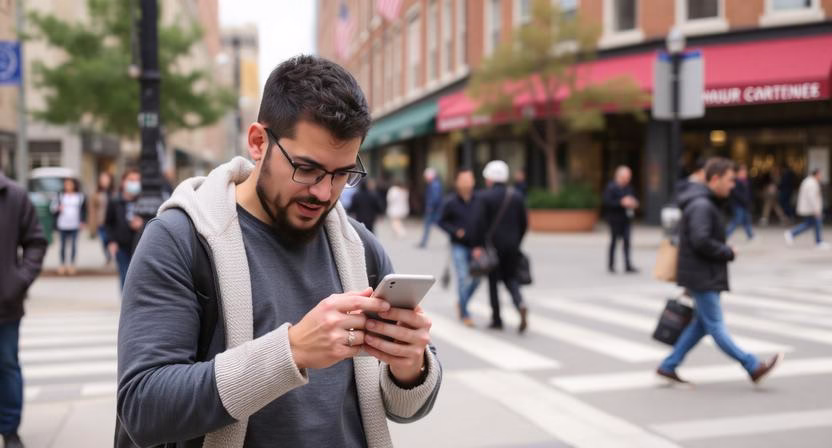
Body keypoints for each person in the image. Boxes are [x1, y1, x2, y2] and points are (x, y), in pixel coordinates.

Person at [116, 55, 441, 448]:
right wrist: (292, 351)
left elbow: (403, 407)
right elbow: (144, 408)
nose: (324, 192)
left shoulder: (361, 248)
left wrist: (411, 366)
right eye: (306, 168)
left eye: (342, 174)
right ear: (258, 142)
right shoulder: (179, 240)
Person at [657, 157, 783, 386]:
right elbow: (701, 240)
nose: (733, 185)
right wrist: (727, 251)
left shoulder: (702, 202)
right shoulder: (702, 205)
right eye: (730, 180)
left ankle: (668, 366)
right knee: (715, 325)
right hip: (702, 275)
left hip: (701, 273)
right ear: (714, 179)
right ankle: (752, 366)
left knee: (701, 325)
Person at [0, 172, 48, 448]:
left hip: (5, 304)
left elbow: (36, 242)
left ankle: (9, 430)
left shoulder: (14, 195)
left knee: (6, 365)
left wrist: (17, 281)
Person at [472, 160, 529, 333]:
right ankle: (520, 303)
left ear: (489, 179)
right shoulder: (517, 195)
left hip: (492, 247)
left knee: (492, 282)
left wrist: (478, 245)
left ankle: (497, 319)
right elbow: (524, 223)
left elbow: (479, 224)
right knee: (510, 278)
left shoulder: (483, 197)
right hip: (512, 245)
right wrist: (517, 241)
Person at [438, 170, 481, 327]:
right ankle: (465, 313)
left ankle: (462, 303)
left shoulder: (479, 200)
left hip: (477, 246)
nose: (467, 183)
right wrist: (455, 231)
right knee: (463, 278)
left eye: (469, 179)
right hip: (459, 245)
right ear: (457, 182)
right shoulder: (451, 202)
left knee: (477, 279)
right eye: (463, 179)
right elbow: (441, 221)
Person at [105, 168, 144, 289]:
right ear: (123, 182)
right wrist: (111, 241)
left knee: (139, 277)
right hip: (121, 246)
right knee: (125, 275)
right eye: (131, 180)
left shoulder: (144, 201)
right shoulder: (115, 201)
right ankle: (126, 304)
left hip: (140, 245)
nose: (134, 183)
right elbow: (108, 223)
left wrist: (142, 224)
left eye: (137, 180)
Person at [603, 166, 639, 274]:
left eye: (629, 177)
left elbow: (634, 200)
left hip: (626, 219)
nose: (627, 179)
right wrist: (621, 202)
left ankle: (628, 265)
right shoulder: (611, 187)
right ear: (619, 176)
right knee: (614, 241)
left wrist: (634, 203)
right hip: (615, 219)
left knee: (627, 241)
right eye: (626, 177)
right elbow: (607, 202)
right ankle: (611, 265)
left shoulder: (629, 188)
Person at [784, 169, 828, 250]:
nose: (821, 177)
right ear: (817, 174)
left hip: (809, 208)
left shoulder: (809, 181)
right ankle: (818, 242)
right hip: (811, 209)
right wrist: (816, 210)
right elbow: (812, 198)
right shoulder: (811, 183)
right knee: (816, 223)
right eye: (820, 175)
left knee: (809, 224)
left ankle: (792, 234)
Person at [51, 178, 87, 275]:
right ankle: (62, 265)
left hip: (75, 224)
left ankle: (72, 265)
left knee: (73, 245)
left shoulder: (80, 196)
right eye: (66, 184)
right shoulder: (60, 196)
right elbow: (52, 208)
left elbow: (84, 210)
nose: (68, 187)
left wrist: (82, 221)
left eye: (70, 184)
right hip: (62, 224)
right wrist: (58, 208)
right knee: (62, 246)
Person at [89, 172, 115, 265]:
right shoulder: (97, 193)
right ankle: (108, 256)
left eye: (106, 179)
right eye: (102, 179)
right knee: (104, 240)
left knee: (109, 239)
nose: (104, 181)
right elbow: (92, 209)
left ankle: (111, 255)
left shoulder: (113, 193)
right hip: (101, 221)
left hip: (111, 222)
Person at [726, 163, 754, 242]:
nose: (744, 173)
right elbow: (735, 193)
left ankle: (750, 235)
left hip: (745, 204)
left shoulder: (747, 181)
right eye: (742, 172)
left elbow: (749, 192)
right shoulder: (735, 181)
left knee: (746, 220)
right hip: (737, 204)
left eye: (745, 171)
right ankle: (726, 234)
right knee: (737, 220)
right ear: (738, 173)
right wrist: (744, 199)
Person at [417, 167, 442, 248]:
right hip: (434, 209)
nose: (425, 178)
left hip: (433, 209)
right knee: (430, 226)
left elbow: (435, 197)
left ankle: (423, 243)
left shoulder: (434, 185)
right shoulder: (434, 184)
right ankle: (423, 243)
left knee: (431, 225)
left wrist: (430, 206)